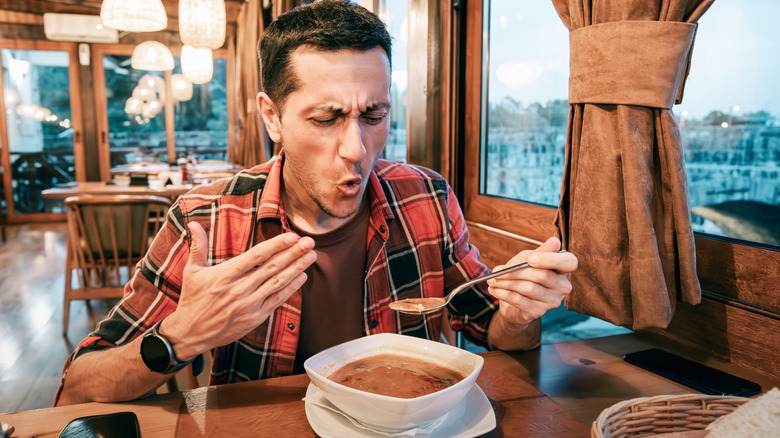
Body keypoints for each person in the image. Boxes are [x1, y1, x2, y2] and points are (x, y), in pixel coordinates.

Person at [56, 0, 577, 405]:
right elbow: (78, 387)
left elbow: (499, 330)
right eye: (325, 119)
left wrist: (522, 310)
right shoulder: (207, 219)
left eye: (373, 116)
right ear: (272, 116)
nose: (356, 150)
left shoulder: (426, 195)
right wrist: (179, 337)